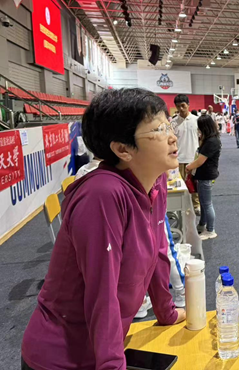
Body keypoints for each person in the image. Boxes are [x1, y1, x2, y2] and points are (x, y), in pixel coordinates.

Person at [21, 88, 186, 370]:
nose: (172, 136)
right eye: (159, 129)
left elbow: (158, 252)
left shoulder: (155, 183)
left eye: (169, 125)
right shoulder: (102, 195)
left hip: (104, 346)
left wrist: (166, 311)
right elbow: (102, 292)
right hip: (60, 358)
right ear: (122, 149)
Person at [184, 115, 221, 240]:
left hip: (206, 175)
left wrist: (189, 167)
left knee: (207, 204)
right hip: (204, 175)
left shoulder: (211, 142)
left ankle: (210, 230)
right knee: (204, 203)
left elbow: (200, 160)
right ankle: (202, 225)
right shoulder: (209, 139)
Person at [172, 94, 200, 215]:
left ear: (188, 105)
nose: (181, 109)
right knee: (179, 186)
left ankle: (196, 205)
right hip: (178, 159)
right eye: (178, 106)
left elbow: (201, 138)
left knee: (195, 184)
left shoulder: (197, 120)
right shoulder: (173, 122)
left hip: (194, 159)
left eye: (183, 105)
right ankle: (180, 207)